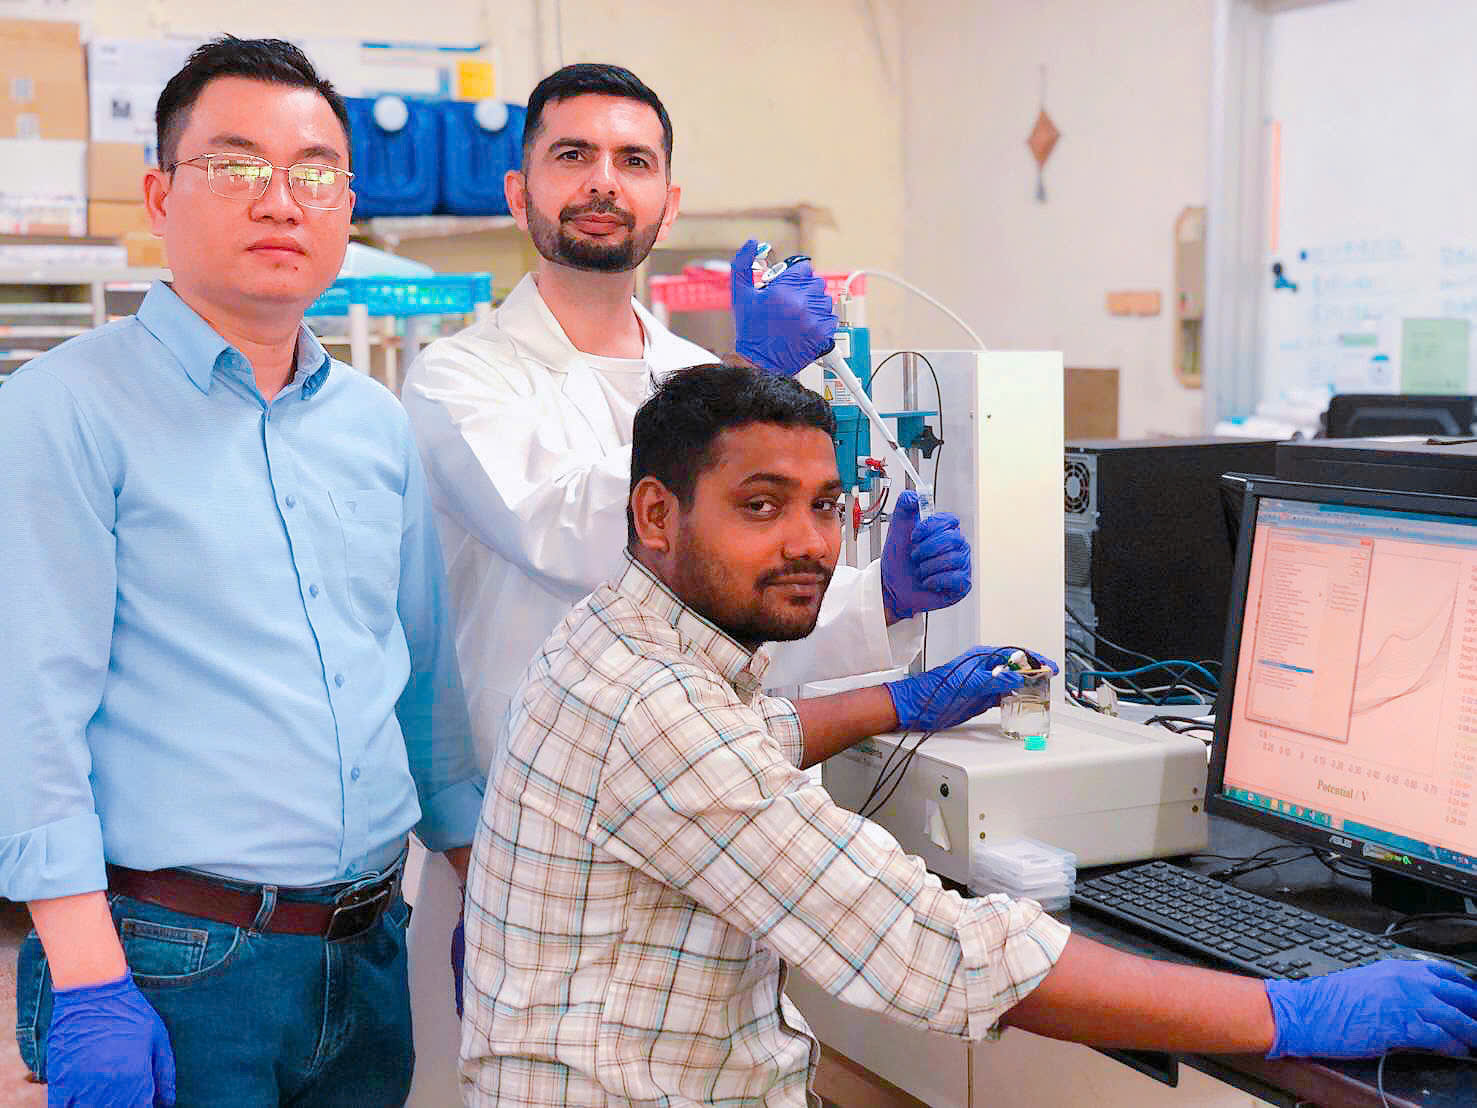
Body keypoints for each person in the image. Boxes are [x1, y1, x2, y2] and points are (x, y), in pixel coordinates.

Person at [459, 364, 1477, 1105]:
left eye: (823, 505)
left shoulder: (616, 641)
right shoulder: (658, 712)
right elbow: (933, 953)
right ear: (654, 512)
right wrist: (1286, 1015)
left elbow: (748, 737)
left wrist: (902, 704)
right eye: (759, 506)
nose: (810, 542)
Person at [398, 62, 971, 1101]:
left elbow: (725, 599)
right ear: (518, 190)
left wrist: (872, 596)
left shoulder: (688, 368)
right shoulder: (458, 376)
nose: (603, 181)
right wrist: (741, 378)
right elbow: (581, 529)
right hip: (516, 846)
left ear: (670, 199)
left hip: (691, 807)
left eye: (634, 160)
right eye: (571, 156)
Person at [0, 37, 482, 1107]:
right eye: (236, 164)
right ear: (160, 195)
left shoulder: (373, 423)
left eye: (314, 171)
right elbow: (29, 710)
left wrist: (476, 884)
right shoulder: (63, 409)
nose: (281, 199)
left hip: (367, 950)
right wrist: (86, 979)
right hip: (174, 960)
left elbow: (418, 679)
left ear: (346, 203)